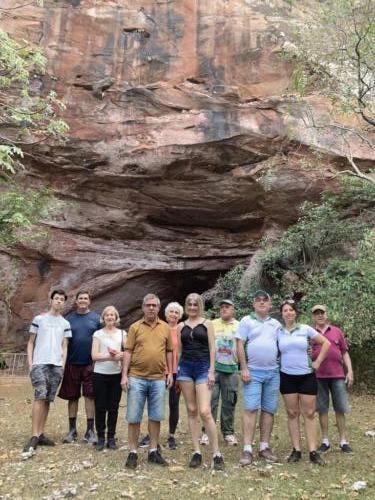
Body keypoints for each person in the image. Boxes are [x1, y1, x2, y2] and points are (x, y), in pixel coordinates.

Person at [121, 294, 173, 469]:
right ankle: (133, 452)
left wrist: (171, 373)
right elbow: (127, 351)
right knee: (134, 416)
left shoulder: (165, 327)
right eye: (148, 305)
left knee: (155, 416)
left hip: (158, 378)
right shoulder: (135, 327)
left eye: (154, 305)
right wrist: (124, 375)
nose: (151, 308)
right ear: (143, 307)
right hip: (137, 377)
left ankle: (153, 451)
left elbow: (169, 351)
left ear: (159, 308)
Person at [278, 300, 331, 465]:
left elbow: (326, 343)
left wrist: (317, 363)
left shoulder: (305, 329)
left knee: (309, 414)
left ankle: (313, 451)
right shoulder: (277, 331)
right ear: (282, 314)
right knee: (292, 413)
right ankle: (296, 450)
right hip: (287, 376)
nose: (288, 313)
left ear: (295, 313)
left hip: (306, 376)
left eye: (291, 310)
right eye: (285, 310)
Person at [177, 293, 225, 470]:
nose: (192, 307)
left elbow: (213, 348)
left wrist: (212, 371)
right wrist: (177, 370)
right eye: (189, 304)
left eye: (195, 304)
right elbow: (180, 351)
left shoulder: (207, 324)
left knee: (205, 411)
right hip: (186, 369)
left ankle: (216, 453)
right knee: (191, 410)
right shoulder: (181, 325)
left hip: (204, 368)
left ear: (200, 306)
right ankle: (196, 451)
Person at [22, 289, 72, 458]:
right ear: (50, 300)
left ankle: (41, 433)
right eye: (56, 298)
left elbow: (65, 346)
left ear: (64, 303)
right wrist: (31, 364)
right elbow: (31, 342)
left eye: (61, 299)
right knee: (40, 396)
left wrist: (62, 366)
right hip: (40, 363)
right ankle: (34, 435)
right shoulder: (39, 319)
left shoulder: (65, 323)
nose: (58, 301)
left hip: (56, 365)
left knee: (48, 399)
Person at [235, 290, 281, 466]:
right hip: (252, 371)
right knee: (251, 408)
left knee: (269, 409)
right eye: (258, 300)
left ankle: (264, 447)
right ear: (254, 304)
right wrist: (244, 368)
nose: (261, 302)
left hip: (272, 372)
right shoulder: (247, 321)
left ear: (270, 305)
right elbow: (240, 343)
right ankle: (247, 449)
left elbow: (283, 343)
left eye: (265, 300)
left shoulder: (276, 324)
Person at [139, 301, 184, 450]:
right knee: (154, 403)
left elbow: (183, 351)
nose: (173, 314)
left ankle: (171, 435)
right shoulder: (161, 327)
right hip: (158, 370)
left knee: (173, 403)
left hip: (176, 371)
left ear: (180, 315)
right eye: (171, 311)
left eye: (176, 312)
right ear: (166, 313)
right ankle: (150, 435)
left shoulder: (181, 329)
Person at [58, 290, 101, 444]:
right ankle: (72, 430)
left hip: (90, 364)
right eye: (80, 298)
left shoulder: (97, 319)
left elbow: (102, 340)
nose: (83, 300)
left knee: (90, 396)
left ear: (89, 301)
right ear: (76, 301)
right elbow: (64, 342)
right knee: (72, 397)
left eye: (85, 298)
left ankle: (90, 431)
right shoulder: (68, 319)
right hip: (72, 363)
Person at [311, 305, 354, 454]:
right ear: (313, 317)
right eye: (316, 313)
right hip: (318, 376)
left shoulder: (336, 331)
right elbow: (306, 353)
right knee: (322, 409)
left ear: (326, 315)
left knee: (340, 408)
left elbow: (345, 353)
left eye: (322, 313)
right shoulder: (310, 333)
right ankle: (325, 441)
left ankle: (343, 441)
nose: (320, 315)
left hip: (337, 375)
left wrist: (350, 371)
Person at [200, 299, 239, 446]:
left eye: (227, 307)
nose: (224, 309)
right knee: (211, 401)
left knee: (229, 402)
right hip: (213, 369)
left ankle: (228, 433)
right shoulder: (212, 324)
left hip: (231, 368)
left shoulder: (239, 326)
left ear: (233, 310)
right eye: (222, 307)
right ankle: (207, 432)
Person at [91, 305, 126, 451]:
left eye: (112, 315)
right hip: (100, 374)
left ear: (116, 317)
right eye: (107, 315)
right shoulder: (98, 334)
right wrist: (110, 356)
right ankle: (100, 437)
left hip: (116, 375)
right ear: (103, 318)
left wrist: (121, 355)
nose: (110, 317)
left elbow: (127, 353)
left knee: (113, 407)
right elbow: (94, 356)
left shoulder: (123, 334)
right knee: (100, 407)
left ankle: (111, 437)